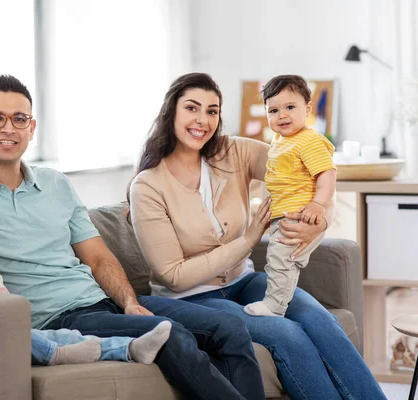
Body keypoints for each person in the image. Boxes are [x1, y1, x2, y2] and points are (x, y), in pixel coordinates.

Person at [0, 74, 265, 400]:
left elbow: (99, 258)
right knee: (172, 335)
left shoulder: (56, 183)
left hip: (101, 304)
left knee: (228, 327)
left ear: (32, 128)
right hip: (55, 320)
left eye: (19, 118)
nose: (9, 128)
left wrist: (130, 302)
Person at [128, 72, 386, 399]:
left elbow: (313, 176)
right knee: (286, 334)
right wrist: (248, 240)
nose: (202, 120)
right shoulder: (148, 186)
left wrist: (317, 220)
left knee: (321, 322)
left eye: (212, 111)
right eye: (192, 108)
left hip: (243, 282)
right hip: (190, 297)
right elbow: (173, 275)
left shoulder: (234, 152)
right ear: (172, 112)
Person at [0, 179, 171, 366]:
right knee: (22, 337)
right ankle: (55, 354)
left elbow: (9, 305)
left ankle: (130, 349)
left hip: (11, 331)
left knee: (64, 335)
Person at [243, 75, 337, 318]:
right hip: (285, 213)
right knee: (278, 258)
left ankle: (275, 306)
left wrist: (318, 204)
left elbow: (327, 175)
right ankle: (277, 300)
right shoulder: (279, 140)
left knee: (280, 258)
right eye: (273, 110)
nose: (281, 115)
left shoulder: (309, 141)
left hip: (301, 214)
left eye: (290, 107)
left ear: (307, 109)